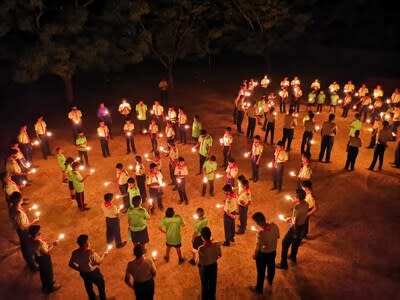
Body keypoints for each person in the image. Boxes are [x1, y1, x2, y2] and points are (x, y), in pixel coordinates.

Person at [276, 189, 309, 270]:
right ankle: (293, 257)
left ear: (298, 198)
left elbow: (294, 222)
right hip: (302, 227)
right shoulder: (307, 204)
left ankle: (283, 264)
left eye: (296, 197)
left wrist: (286, 220)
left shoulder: (296, 208)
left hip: (295, 228)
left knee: (285, 243)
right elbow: (301, 215)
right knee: (296, 243)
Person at [68, 234, 108, 300]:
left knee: (88, 285)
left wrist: (79, 268)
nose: (89, 243)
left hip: (83, 273)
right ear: (85, 244)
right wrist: (104, 255)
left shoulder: (75, 252)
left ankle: (92, 298)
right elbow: (99, 262)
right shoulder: (91, 252)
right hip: (93, 273)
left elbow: (71, 264)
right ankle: (103, 298)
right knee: (101, 284)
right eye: (88, 242)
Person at [249, 212, 280, 295]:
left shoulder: (261, 234)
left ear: (257, 223)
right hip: (273, 251)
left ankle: (259, 288)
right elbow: (278, 236)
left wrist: (255, 255)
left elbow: (258, 247)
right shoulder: (274, 226)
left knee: (261, 271)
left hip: (263, 255)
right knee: (271, 266)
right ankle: (270, 279)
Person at [8, 192, 39, 271]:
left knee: (26, 245)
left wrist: (29, 209)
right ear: (19, 201)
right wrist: (33, 222)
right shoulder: (18, 213)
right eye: (21, 198)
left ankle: (31, 259)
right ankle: (32, 265)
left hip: (20, 230)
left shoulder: (12, 208)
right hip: (23, 232)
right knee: (26, 247)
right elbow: (22, 227)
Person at [28, 225, 62, 294]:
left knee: (43, 272)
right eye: (38, 232)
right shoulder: (39, 242)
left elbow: (38, 250)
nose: (40, 232)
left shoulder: (30, 240)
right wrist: (54, 245)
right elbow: (46, 252)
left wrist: (46, 245)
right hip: (44, 259)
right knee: (48, 272)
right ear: (36, 234)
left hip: (38, 258)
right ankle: (50, 287)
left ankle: (44, 285)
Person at [196, 227, 221, 300]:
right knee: (213, 283)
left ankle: (204, 298)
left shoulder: (201, 248)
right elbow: (219, 255)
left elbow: (198, 261)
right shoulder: (217, 244)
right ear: (210, 235)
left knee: (204, 284)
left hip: (204, 268)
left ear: (202, 238)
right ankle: (212, 297)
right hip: (214, 266)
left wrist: (195, 254)